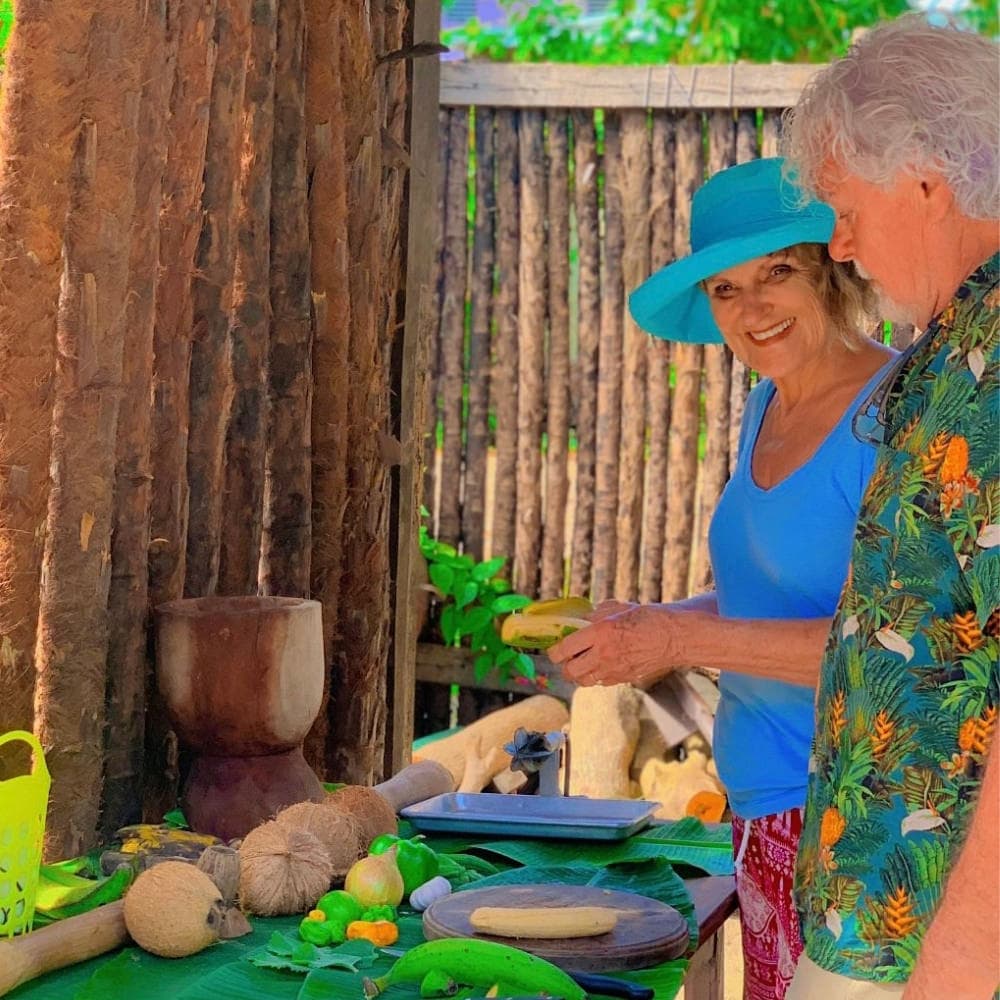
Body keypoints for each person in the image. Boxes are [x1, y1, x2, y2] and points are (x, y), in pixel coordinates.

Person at [550, 155, 896, 1000]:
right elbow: (768, 600)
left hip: (851, 819)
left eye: (777, 273)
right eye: (725, 289)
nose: (753, 309)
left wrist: (680, 639)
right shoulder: (764, 406)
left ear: (832, 272)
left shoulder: (894, 413)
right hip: (760, 803)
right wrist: (654, 621)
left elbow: (891, 647)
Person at [777, 16, 999, 1000]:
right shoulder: (957, 339)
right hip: (879, 924)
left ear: (919, 175)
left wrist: (964, 948)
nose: (839, 241)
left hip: (931, 942)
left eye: (842, 205)